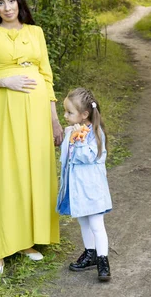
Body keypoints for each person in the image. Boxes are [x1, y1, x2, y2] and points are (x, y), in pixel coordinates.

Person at [0, 0, 63, 276]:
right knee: (5, 173)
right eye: (1, 2)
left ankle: (26, 240)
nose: (7, 7)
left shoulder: (36, 32)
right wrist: (4, 81)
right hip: (4, 112)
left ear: (20, 2)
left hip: (36, 113)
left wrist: (54, 118)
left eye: (11, 1)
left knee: (32, 172)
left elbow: (46, 76)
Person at [57, 87, 113, 281]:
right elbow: (66, 157)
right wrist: (69, 137)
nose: (65, 115)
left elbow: (87, 157)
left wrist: (77, 140)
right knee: (83, 222)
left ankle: (102, 259)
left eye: (69, 112)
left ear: (84, 114)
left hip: (93, 189)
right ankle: (90, 253)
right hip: (78, 188)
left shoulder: (94, 134)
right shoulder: (73, 130)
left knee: (97, 224)